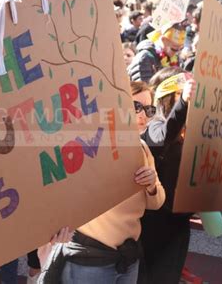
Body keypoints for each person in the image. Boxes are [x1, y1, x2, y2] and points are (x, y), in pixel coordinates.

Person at [39, 139, 165, 283]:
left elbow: (157, 203)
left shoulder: (141, 147)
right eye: (136, 113)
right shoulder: (82, 144)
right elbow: (54, 192)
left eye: (150, 114)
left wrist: (151, 186)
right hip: (89, 259)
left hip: (128, 258)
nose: (143, 116)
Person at [138, 67, 196, 284]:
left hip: (179, 221)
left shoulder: (190, 128)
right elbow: (164, 137)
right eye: (181, 92)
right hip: (157, 222)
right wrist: (183, 103)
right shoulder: (155, 126)